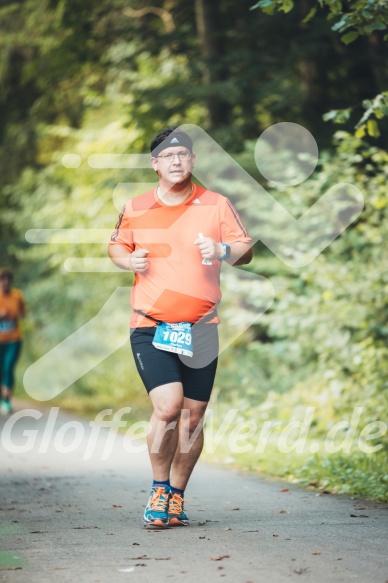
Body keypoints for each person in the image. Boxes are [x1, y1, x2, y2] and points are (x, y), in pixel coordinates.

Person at [108, 126, 252, 527]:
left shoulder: (216, 205)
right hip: (150, 325)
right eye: (168, 157)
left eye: (183, 155)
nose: (176, 162)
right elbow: (116, 244)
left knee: (193, 415)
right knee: (168, 407)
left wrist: (222, 249)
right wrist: (128, 261)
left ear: (192, 161)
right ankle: (158, 488)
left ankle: (176, 495)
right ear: (155, 164)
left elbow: (245, 251)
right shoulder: (136, 207)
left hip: (201, 327)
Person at [0, 268, 25, 414]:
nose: (4, 283)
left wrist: (15, 314)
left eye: (7, 280)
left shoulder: (17, 296)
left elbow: (23, 313)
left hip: (14, 339)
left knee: (8, 367)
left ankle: (6, 401)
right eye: (1, 280)